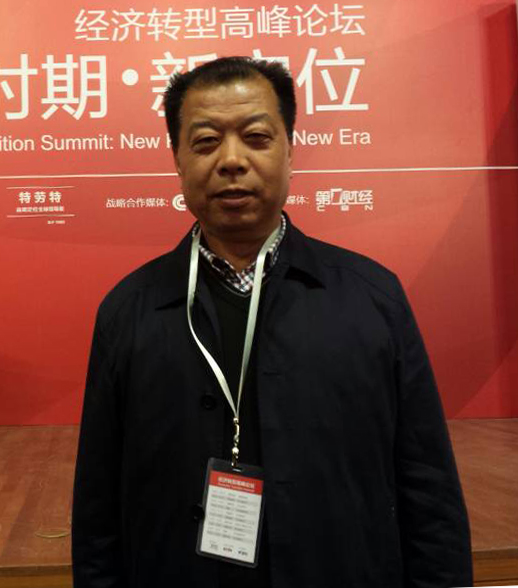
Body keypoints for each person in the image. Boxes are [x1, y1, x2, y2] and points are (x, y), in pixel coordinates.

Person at [71, 56, 472, 588]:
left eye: (256, 137)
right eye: (206, 142)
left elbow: (427, 485)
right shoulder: (129, 310)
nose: (232, 160)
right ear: (177, 159)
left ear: (290, 149)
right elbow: (98, 506)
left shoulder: (373, 297)